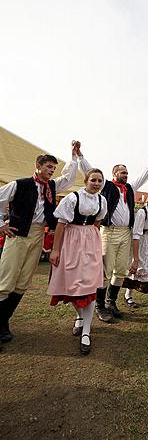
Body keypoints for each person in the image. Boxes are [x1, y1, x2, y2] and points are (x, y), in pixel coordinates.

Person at [0, 142, 82, 347]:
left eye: (53, 168)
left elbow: (69, 178)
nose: (51, 171)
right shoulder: (20, 184)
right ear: (38, 166)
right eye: (48, 167)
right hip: (18, 234)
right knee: (6, 281)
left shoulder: (51, 186)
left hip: (37, 234)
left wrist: (73, 157)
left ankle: (3, 323)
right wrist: (1, 224)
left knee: (23, 282)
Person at [78, 146, 148, 321]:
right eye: (122, 172)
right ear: (114, 173)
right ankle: (100, 306)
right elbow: (89, 171)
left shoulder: (129, 188)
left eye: (127, 173)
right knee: (106, 269)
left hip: (125, 233)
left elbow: (142, 178)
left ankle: (111, 302)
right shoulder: (105, 185)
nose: (126, 175)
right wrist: (80, 156)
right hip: (108, 232)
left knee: (121, 270)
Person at [48, 168, 107, 355]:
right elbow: (60, 224)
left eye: (100, 181)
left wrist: (90, 237)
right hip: (71, 240)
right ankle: (79, 318)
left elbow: (97, 222)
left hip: (90, 240)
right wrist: (56, 249)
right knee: (72, 284)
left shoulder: (101, 200)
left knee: (89, 285)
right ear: (86, 180)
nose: (97, 184)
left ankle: (86, 333)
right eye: (93, 180)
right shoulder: (72, 198)